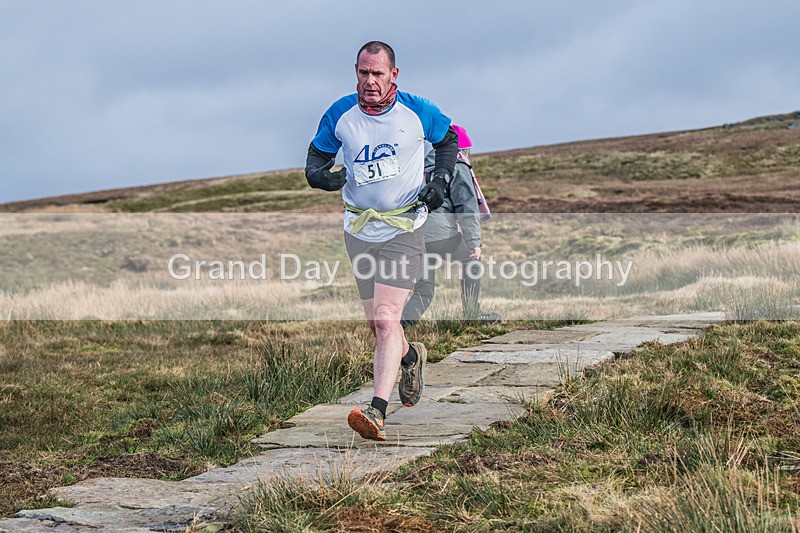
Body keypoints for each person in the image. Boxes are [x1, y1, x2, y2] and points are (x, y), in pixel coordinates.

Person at [305, 41, 458, 441]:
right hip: (359, 229)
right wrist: (321, 176)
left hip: (404, 226)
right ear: (355, 72)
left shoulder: (418, 110)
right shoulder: (340, 114)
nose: (369, 81)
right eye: (363, 73)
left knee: (389, 318)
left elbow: (448, 141)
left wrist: (440, 180)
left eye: (377, 73)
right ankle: (411, 357)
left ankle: (377, 410)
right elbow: (316, 158)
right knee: (378, 325)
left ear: (394, 74)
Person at [401, 124, 501, 327]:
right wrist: (474, 242)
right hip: (440, 234)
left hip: (413, 234)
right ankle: (472, 315)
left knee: (424, 288)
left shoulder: (419, 166)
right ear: (462, 149)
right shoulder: (458, 165)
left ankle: (399, 328)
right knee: (471, 262)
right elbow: (466, 206)